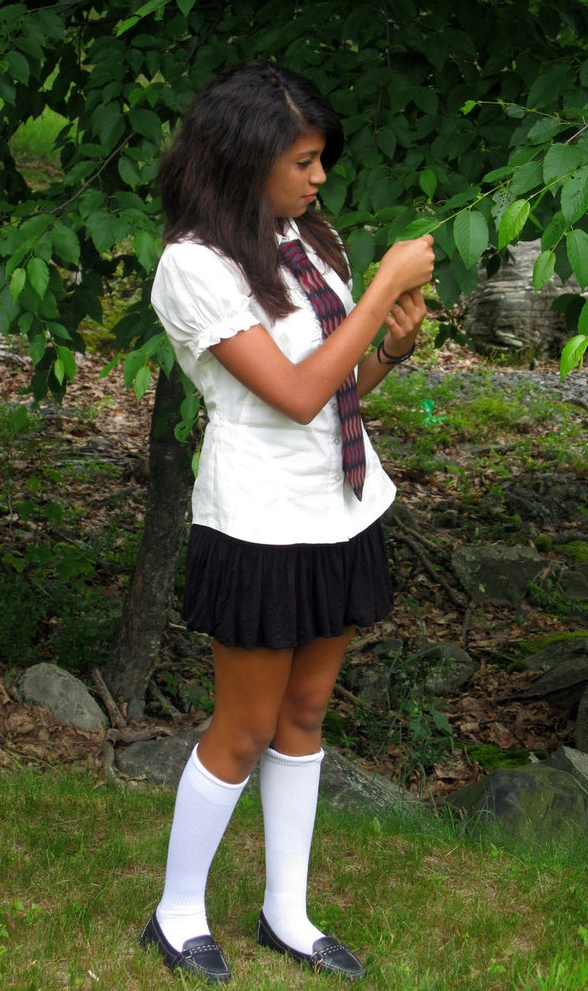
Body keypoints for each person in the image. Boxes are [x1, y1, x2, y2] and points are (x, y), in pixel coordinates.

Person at [141, 60, 435, 984]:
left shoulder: (305, 239)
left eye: (321, 162)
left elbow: (337, 392)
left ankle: (286, 912)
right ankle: (176, 910)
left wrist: (390, 345)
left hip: (340, 505)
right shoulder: (194, 265)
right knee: (246, 724)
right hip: (259, 521)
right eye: (304, 161)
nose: (318, 180)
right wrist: (386, 283)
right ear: (246, 156)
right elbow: (297, 394)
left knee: (305, 714)